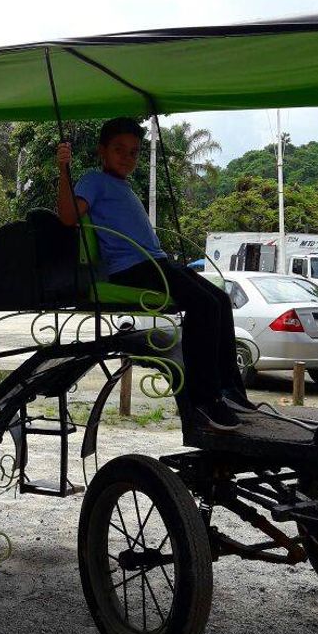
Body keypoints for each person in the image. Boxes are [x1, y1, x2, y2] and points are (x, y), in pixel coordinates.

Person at [57, 118, 249, 431]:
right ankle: (205, 400)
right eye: (119, 150)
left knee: (219, 300)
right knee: (203, 306)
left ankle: (231, 391)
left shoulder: (123, 186)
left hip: (154, 262)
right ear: (102, 151)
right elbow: (67, 216)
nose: (126, 157)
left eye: (133, 152)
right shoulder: (94, 179)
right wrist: (63, 169)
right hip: (132, 267)